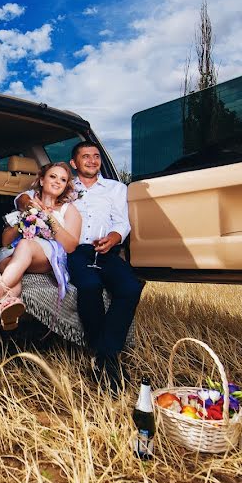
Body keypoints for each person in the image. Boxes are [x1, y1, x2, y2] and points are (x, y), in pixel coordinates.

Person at [16, 141, 144, 393]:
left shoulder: (116, 188)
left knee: (130, 288)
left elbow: (122, 222)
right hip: (75, 251)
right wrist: (25, 203)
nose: (92, 160)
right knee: (89, 286)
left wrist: (114, 238)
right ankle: (104, 356)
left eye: (96, 156)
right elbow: (26, 197)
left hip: (105, 249)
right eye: (85, 157)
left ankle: (105, 353)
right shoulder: (65, 185)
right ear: (75, 163)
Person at [0, 162, 82, 330]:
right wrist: (24, 220)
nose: (57, 182)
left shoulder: (68, 209)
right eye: (53, 176)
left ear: (65, 186)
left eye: (63, 180)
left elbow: (71, 246)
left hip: (46, 256)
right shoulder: (27, 203)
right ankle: (9, 302)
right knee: (11, 265)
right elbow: (5, 242)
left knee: (26, 244)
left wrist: (49, 218)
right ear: (42, 180)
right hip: (16, 252)